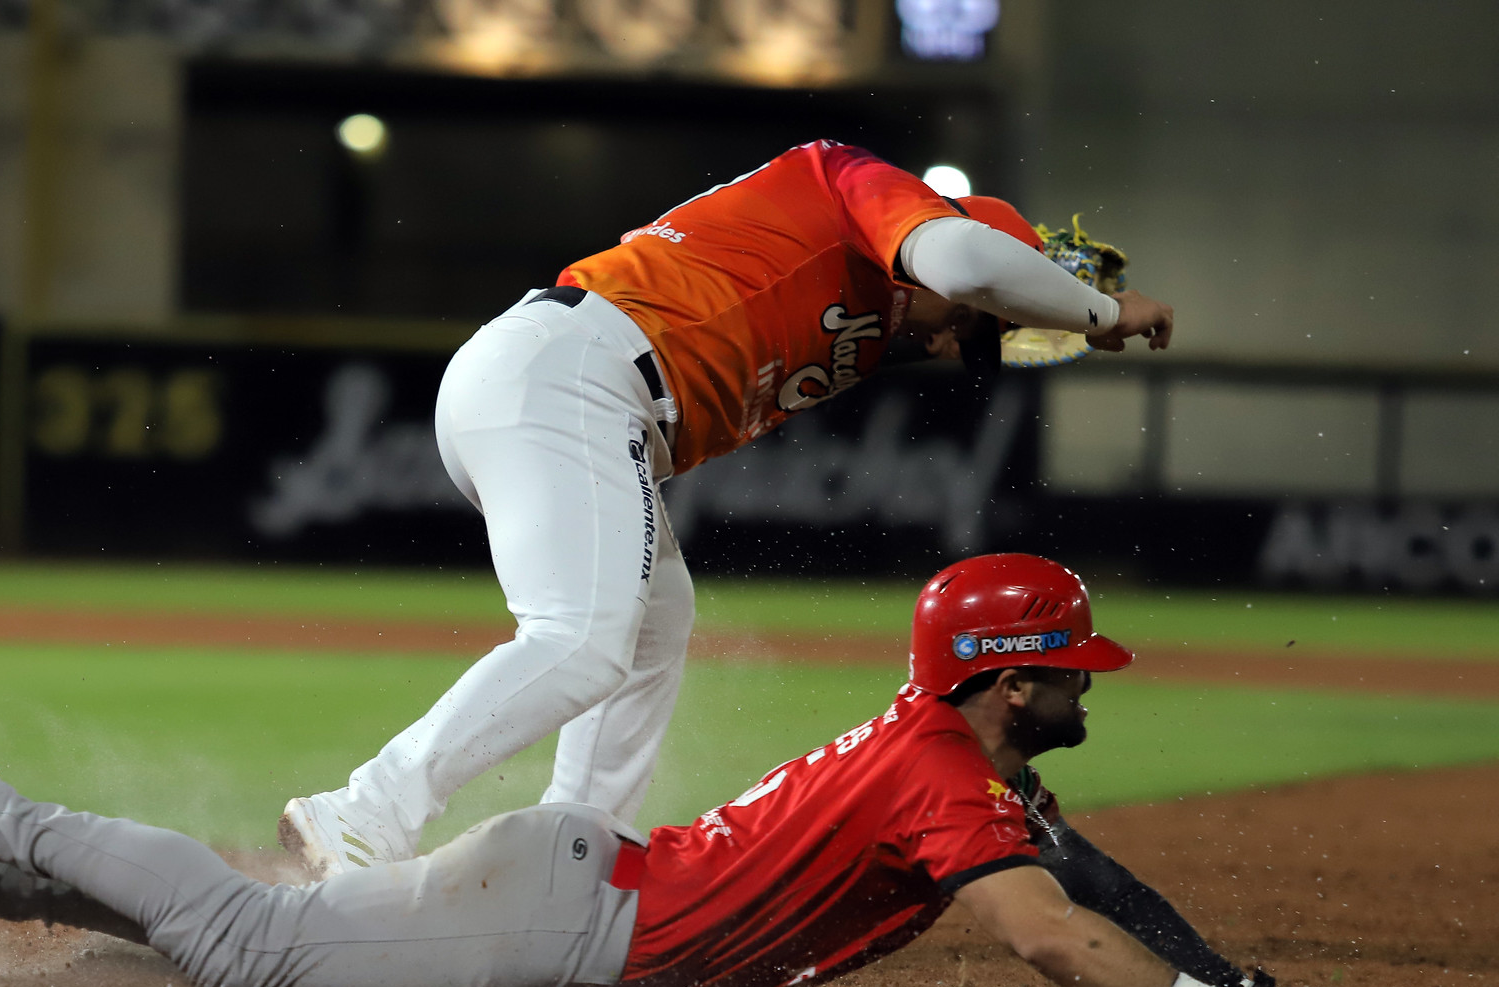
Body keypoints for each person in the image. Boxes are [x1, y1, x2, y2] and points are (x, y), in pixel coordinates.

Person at [0, 555, 1397, 987]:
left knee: (241, 944)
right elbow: (1048, 940)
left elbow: (1094, 884)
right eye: (1067, 667)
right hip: (566, 908)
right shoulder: (939, 778)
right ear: (1003, 678)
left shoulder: (958, 757)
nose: (1089, 686)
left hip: (579, 894)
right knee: (246, 945)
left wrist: (1243, 985)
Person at [274, 140, 1177, 880]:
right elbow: (963, 257)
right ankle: (364, 814)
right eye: (980, 320)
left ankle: (571, 853)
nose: (958, 340)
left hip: (574, 388)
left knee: (653, 623)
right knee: (581, 638)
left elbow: (964, 274)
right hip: (572, 372)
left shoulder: (883, 316)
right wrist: (1097, 310)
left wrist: (1044, 305)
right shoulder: (860, 184)